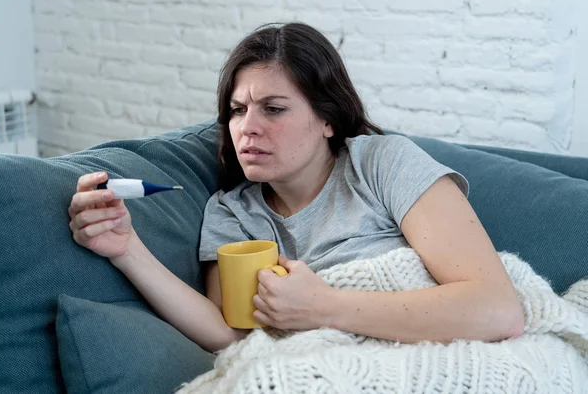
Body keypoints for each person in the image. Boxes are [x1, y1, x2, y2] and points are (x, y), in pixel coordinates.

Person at [68, 22, 524, 354]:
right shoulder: (233, 213)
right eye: (236, 109)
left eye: (274, 109)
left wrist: (326, 307)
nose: (246, 128)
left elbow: (498, 307)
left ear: (327, 118)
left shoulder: (383, 164)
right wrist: (126, 248)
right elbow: (231, 334)